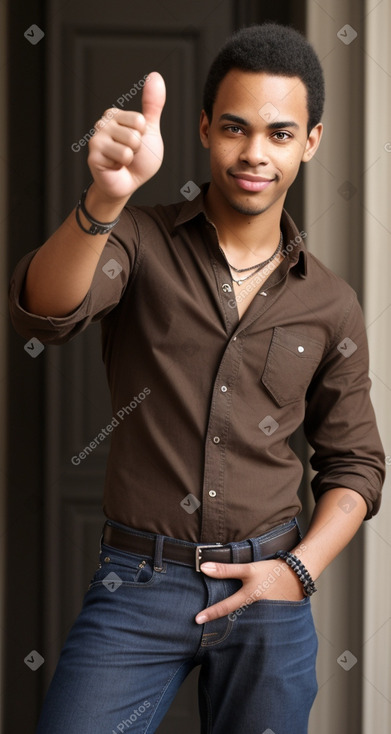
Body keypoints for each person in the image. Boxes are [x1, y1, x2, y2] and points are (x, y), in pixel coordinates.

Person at [9, 22, 384, 734]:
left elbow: (356, 466)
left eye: (279, 134)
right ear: (205, 128)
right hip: (137, 583)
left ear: (310, 142)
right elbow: (42, 314)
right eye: (235, 128)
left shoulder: (329, 302)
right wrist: (105, 198)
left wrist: (296, 572)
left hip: (269, 590)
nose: (254, 153)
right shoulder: (137, 239)